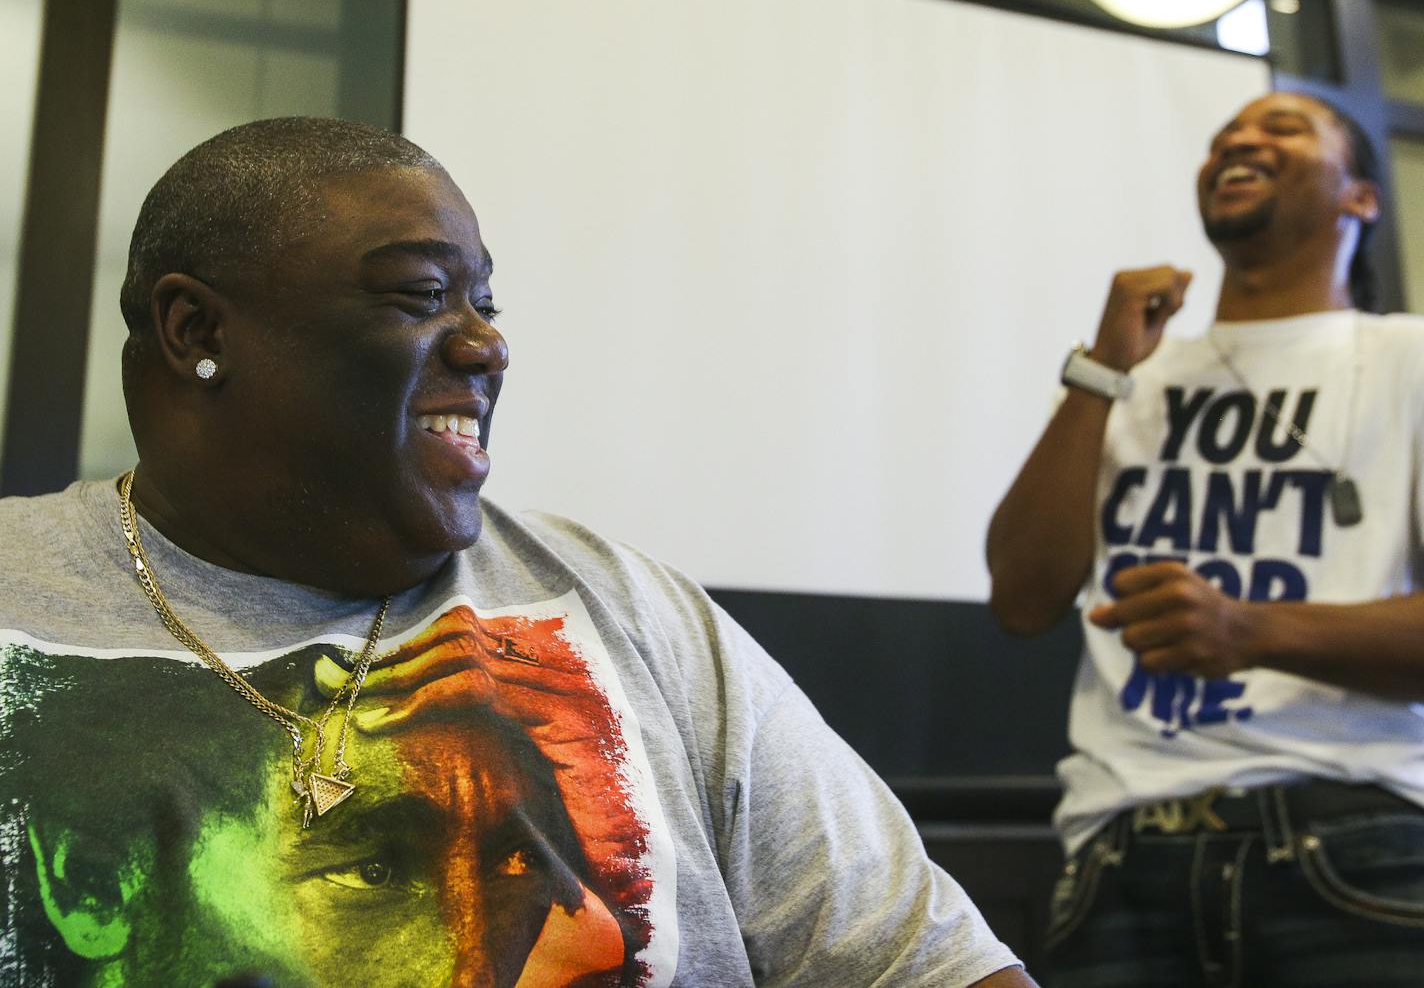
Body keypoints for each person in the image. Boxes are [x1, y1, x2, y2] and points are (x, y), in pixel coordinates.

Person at [0, 117, 1033, 988]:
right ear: (194, 331)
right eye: (417, 296)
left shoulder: (624, 603)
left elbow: (929, 965)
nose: (485, 344)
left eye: (482, 302)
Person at [986, 89, 1424, 987]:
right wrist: (1100, 370)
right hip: (1118, 854)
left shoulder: (1405, 361)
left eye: (1283, 129)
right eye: (1226, 135)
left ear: (1361, 198)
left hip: (1353, 842)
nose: (1242, 141)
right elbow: (1023, 599)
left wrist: (1250, 631)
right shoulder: (1127, 377)